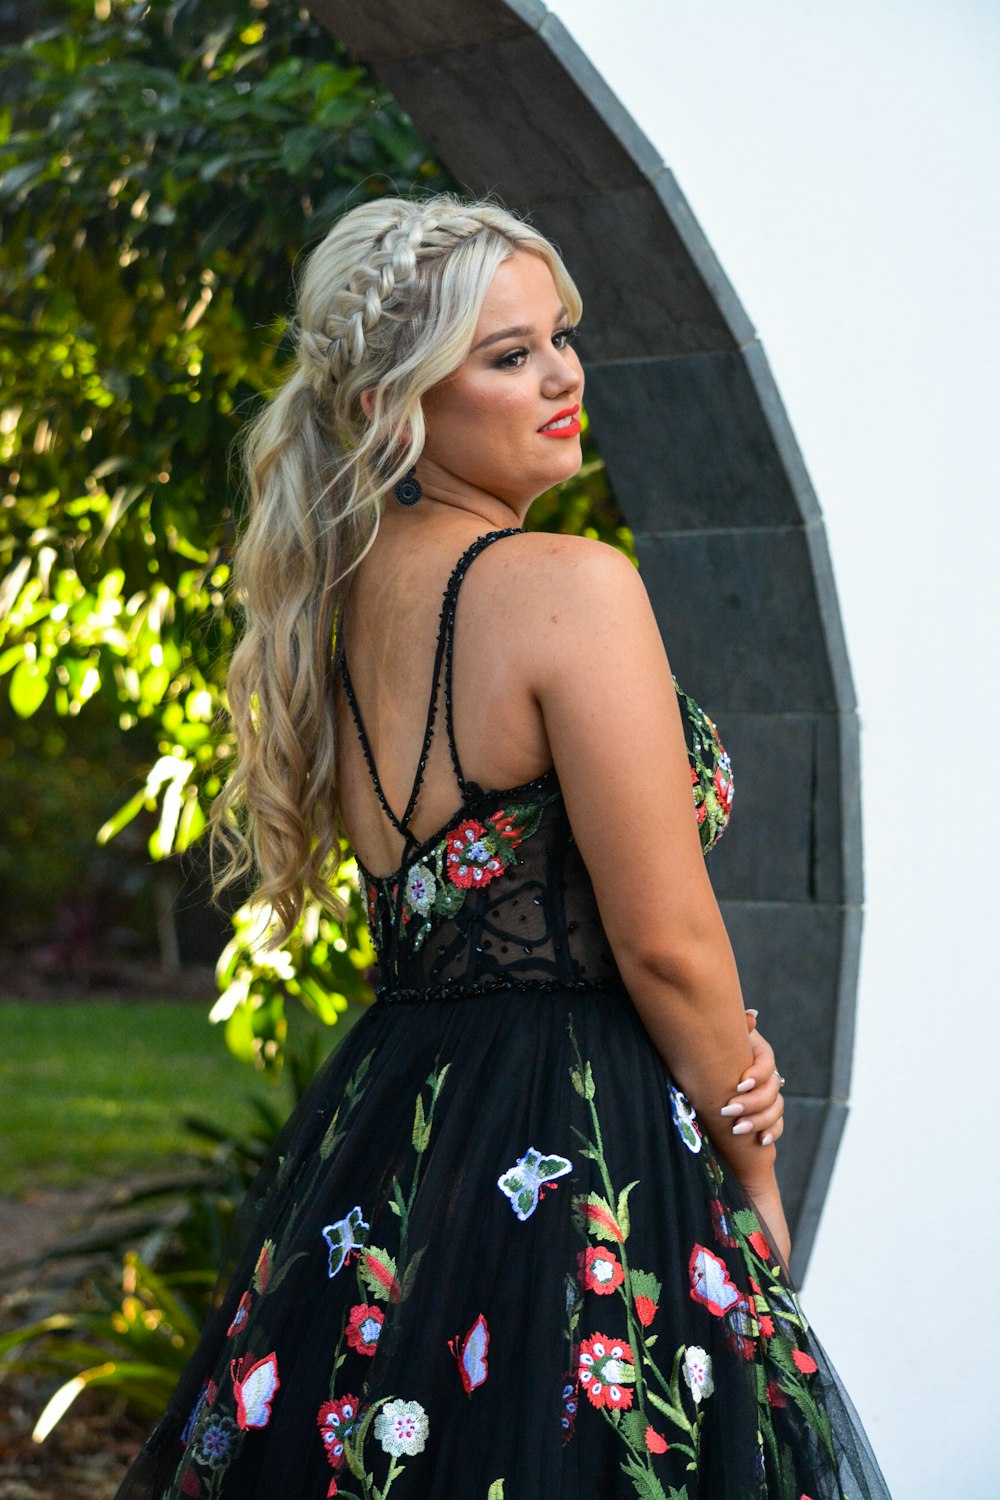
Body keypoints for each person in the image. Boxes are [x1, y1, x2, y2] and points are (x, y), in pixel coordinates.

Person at [117, 194, 890, 1499]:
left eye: (562, 337)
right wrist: (752, 1164)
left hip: (403, 1124)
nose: (563, 376)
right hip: (585, 1140)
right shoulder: (567, 586)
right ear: (391, 404)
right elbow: (666, 941)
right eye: (508, 354)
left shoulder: (345, 603)